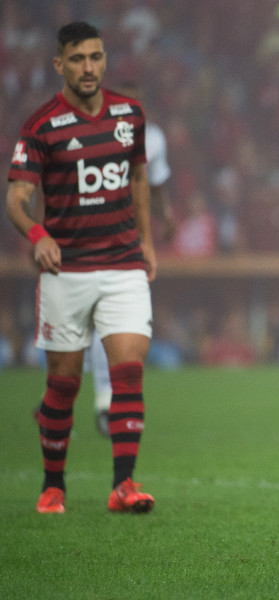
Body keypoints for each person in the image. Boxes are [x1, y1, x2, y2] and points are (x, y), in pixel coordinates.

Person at [6, 22, 156, 514]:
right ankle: (53, 486)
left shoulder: (130, 115)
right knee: (63, 387)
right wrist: (37, 234)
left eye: (95, 57)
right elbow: (16, 199)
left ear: (105, 59)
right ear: (60, 65)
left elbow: (137, 177)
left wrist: (148, 243)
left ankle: (123, 485)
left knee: (128, 371)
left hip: (123, 264)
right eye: (77, 59)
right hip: (66, 271)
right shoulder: (42, 125)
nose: (87, 67)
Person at [90, 80, 175, 438]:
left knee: (115, 314)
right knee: (94, 315)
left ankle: (109, 397)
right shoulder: (94, 131)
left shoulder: (152, 137)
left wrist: (165, 218)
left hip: (127, 234)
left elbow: (154, 184)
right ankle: (97, 396)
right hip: (90, 228)